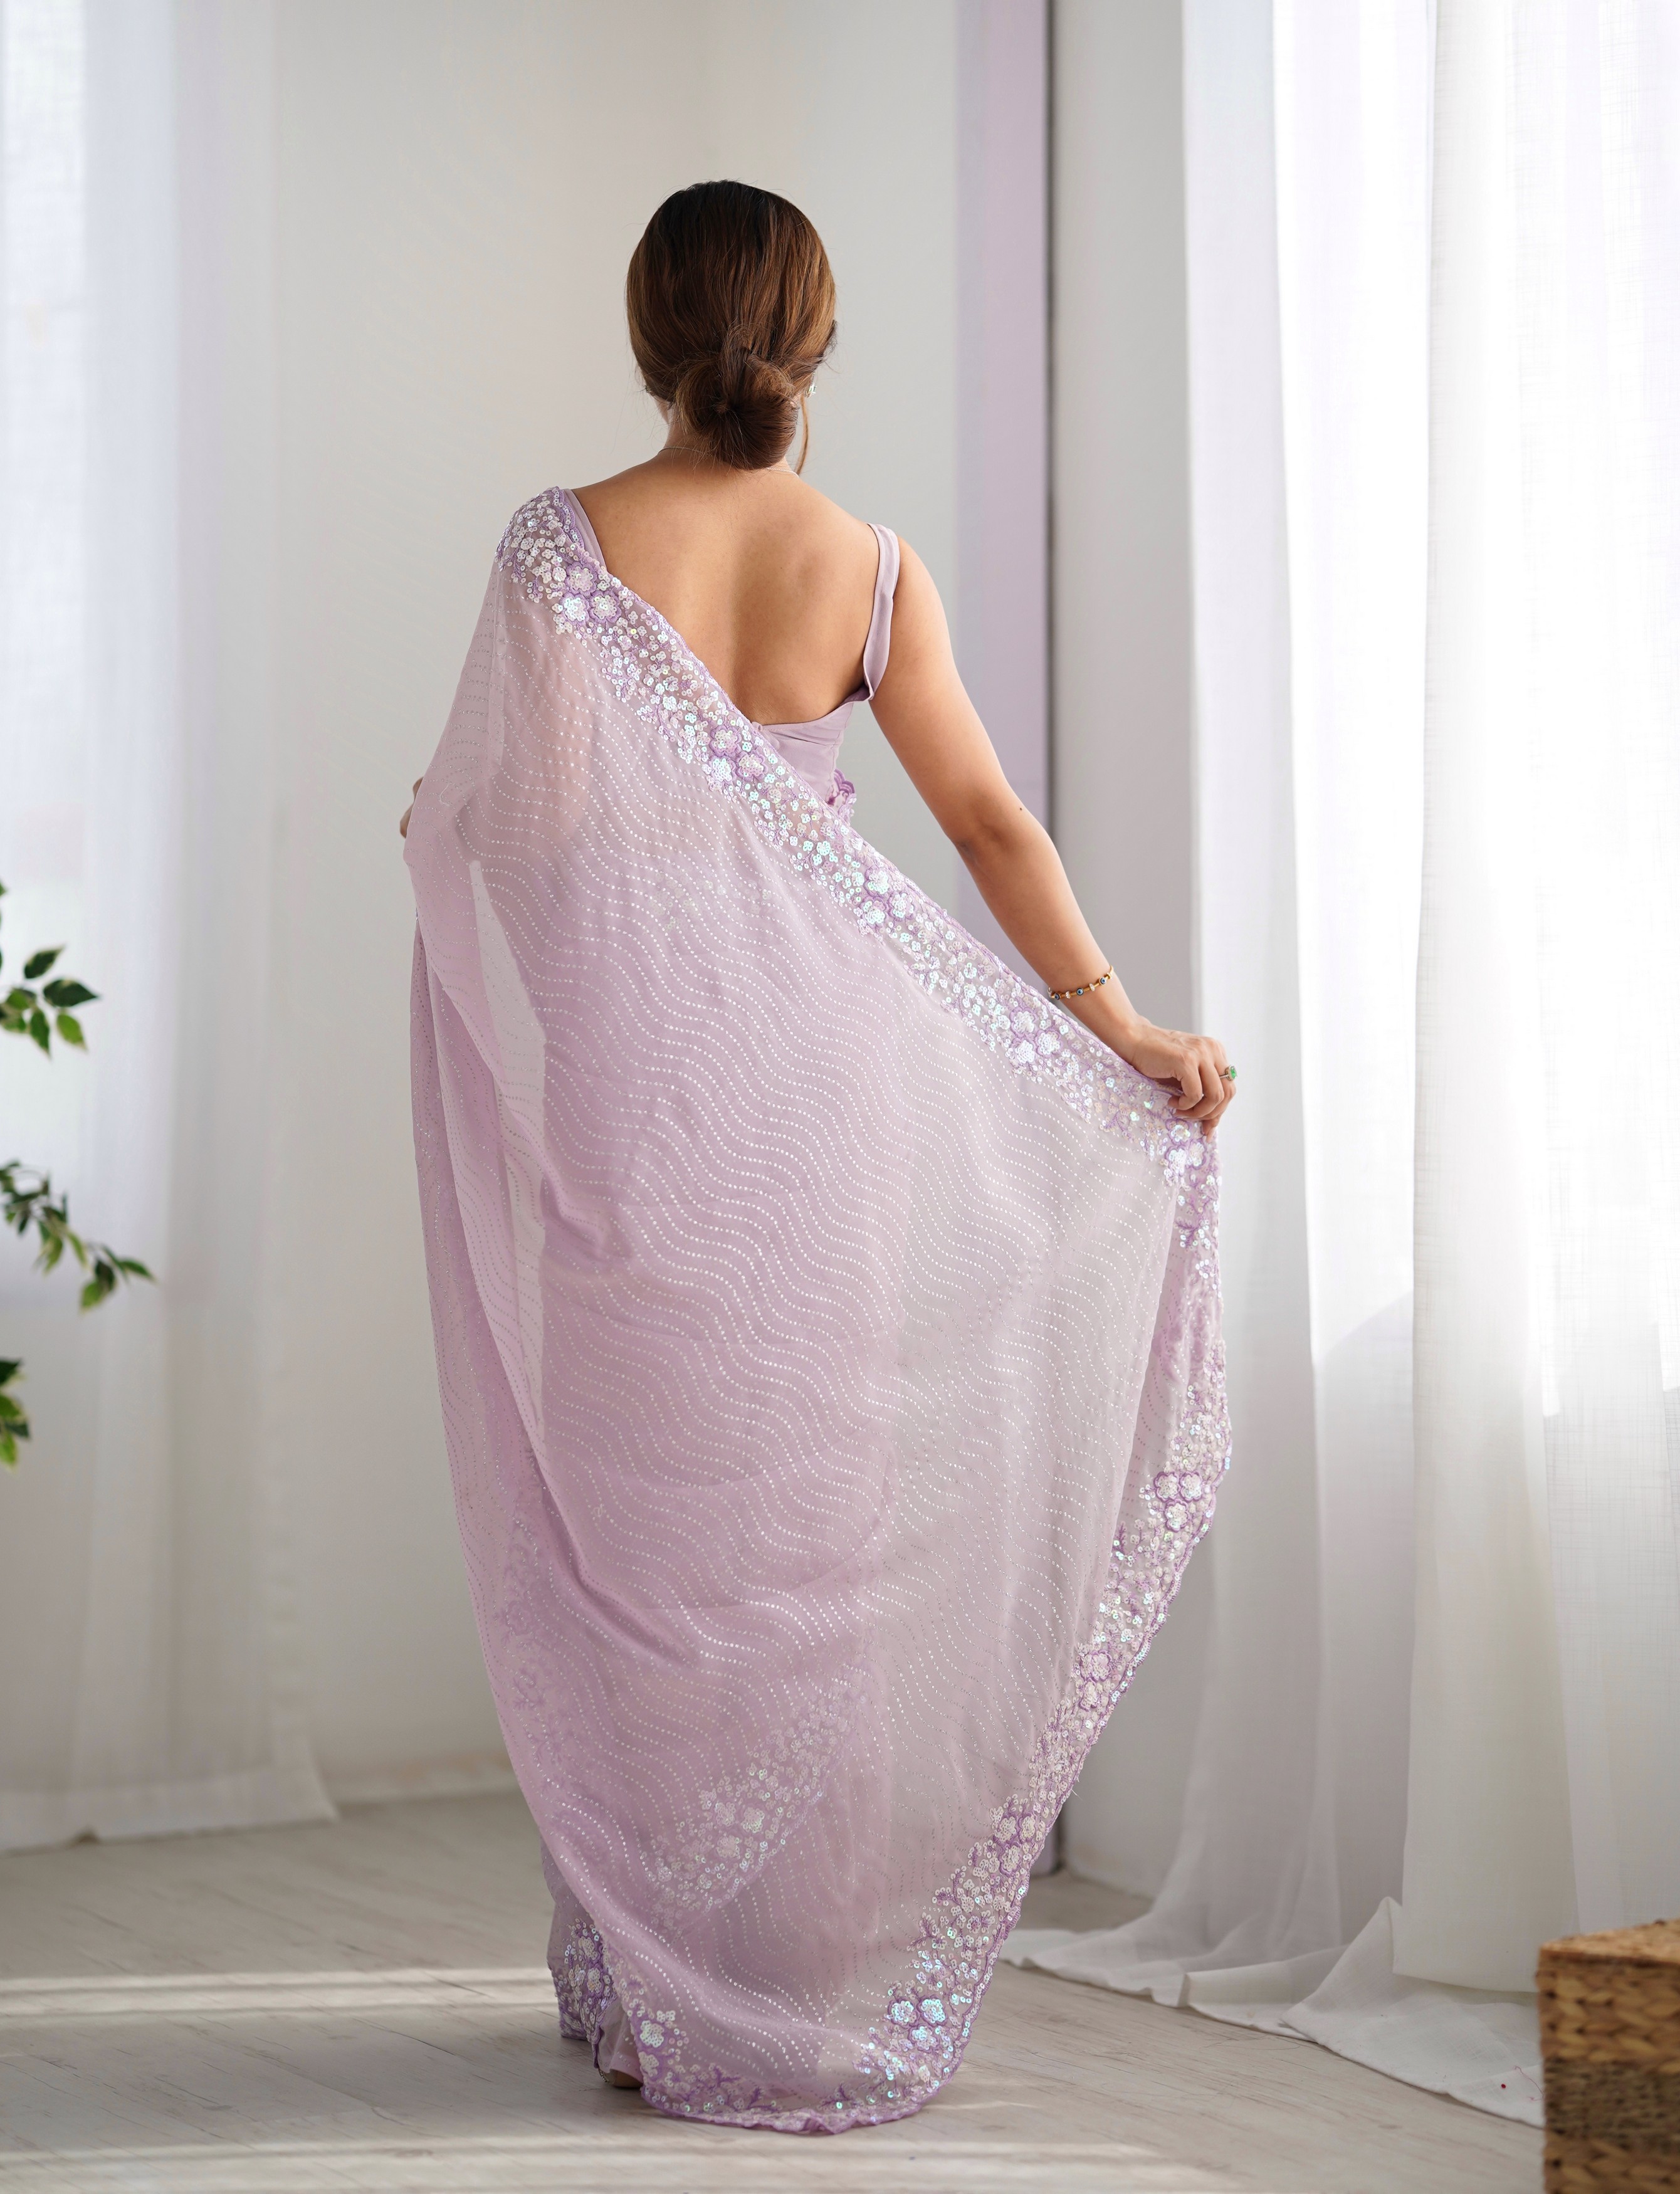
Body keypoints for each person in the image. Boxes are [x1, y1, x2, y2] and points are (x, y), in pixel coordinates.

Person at [402, 180, 1232, 2135]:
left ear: (646, 334)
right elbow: (992, 825)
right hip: (830, 1124)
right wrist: (1121, 1024)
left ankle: (655, 1986)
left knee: (644, 1553)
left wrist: (442, 815)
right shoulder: (868, 570)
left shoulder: (560, 551)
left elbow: (519, 835)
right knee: (812, 1547)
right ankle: (784, 1977)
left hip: (638, 1119)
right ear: (817, 341)